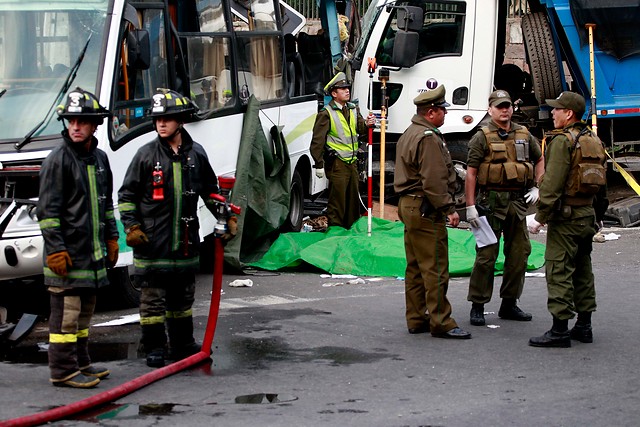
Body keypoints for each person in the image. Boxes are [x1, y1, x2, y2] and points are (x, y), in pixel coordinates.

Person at [118, 89, 234, 367]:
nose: (161, 123)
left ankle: (182, 344)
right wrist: (132, 227)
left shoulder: (197, 154)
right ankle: (155, 347)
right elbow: (126, 196)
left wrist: (225, 216)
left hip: (184, 242)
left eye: (167, 118)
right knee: (153, 302)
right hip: (152, 243)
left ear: (181, 120)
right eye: (158, 119)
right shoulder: (144, 155)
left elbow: (210, 190)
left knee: (182, 300)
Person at [39, 87, 118, 388]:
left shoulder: (100, 159)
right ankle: (62, 370)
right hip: (68, 257)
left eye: (81, 121)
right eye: (71, 121)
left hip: (91, 254)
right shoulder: (57, 160)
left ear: (94, 125)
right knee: (66, 317)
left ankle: (81, 363)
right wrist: (56, 250)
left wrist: (112, 238)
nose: (74, 126)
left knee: (84, 315)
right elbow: (48, 213)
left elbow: (105, 205)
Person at [528, 91, 607, 348]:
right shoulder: (593, 140)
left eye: (556, 109)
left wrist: (540, 217)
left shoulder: (563, 141)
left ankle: (559, 329)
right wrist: (597, 216)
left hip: (567, 218)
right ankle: (584, 325)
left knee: (559, 270)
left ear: (569, 113)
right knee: (583, 270)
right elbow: (601, 186)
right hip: (586, 215)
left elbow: (552, 184)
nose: (552, 113)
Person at [394, 85, 471, 340]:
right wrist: (449, 208)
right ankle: (441, 321)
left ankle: (416, 318)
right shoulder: (427, 137)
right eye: (442, 110)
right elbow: (434, 180)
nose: (445, 114)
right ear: (431, 112)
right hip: (425, 207)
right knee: (436, 266)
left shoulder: (411, 132)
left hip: (410, 204)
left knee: (415, 266)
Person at [465, 89, 544, 326]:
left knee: (519, 254)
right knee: (486, 257)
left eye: (507, 105)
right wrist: (470, 207)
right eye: (499, 106)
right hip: (490, 204)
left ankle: (509, 303)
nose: (505, 110)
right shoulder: (482, 136)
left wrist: (538, 186)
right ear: (490, 110)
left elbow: (539, 158)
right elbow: (471, 173)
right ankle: (477, 305)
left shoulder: (523, 133)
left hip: (517, 204)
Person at [310, 72, 375, 228]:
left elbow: (361, 131)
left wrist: (367, 124)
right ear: (334, 94)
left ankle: (350, 232)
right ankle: (335, 233)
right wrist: (319, 164)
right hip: (337, 163)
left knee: (353, 201)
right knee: (337, 202)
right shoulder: (326, 114)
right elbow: (317, 142)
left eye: (347, 88)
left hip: (352, 163)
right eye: (342, 89)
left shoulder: (352, 109)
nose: (347, 91)